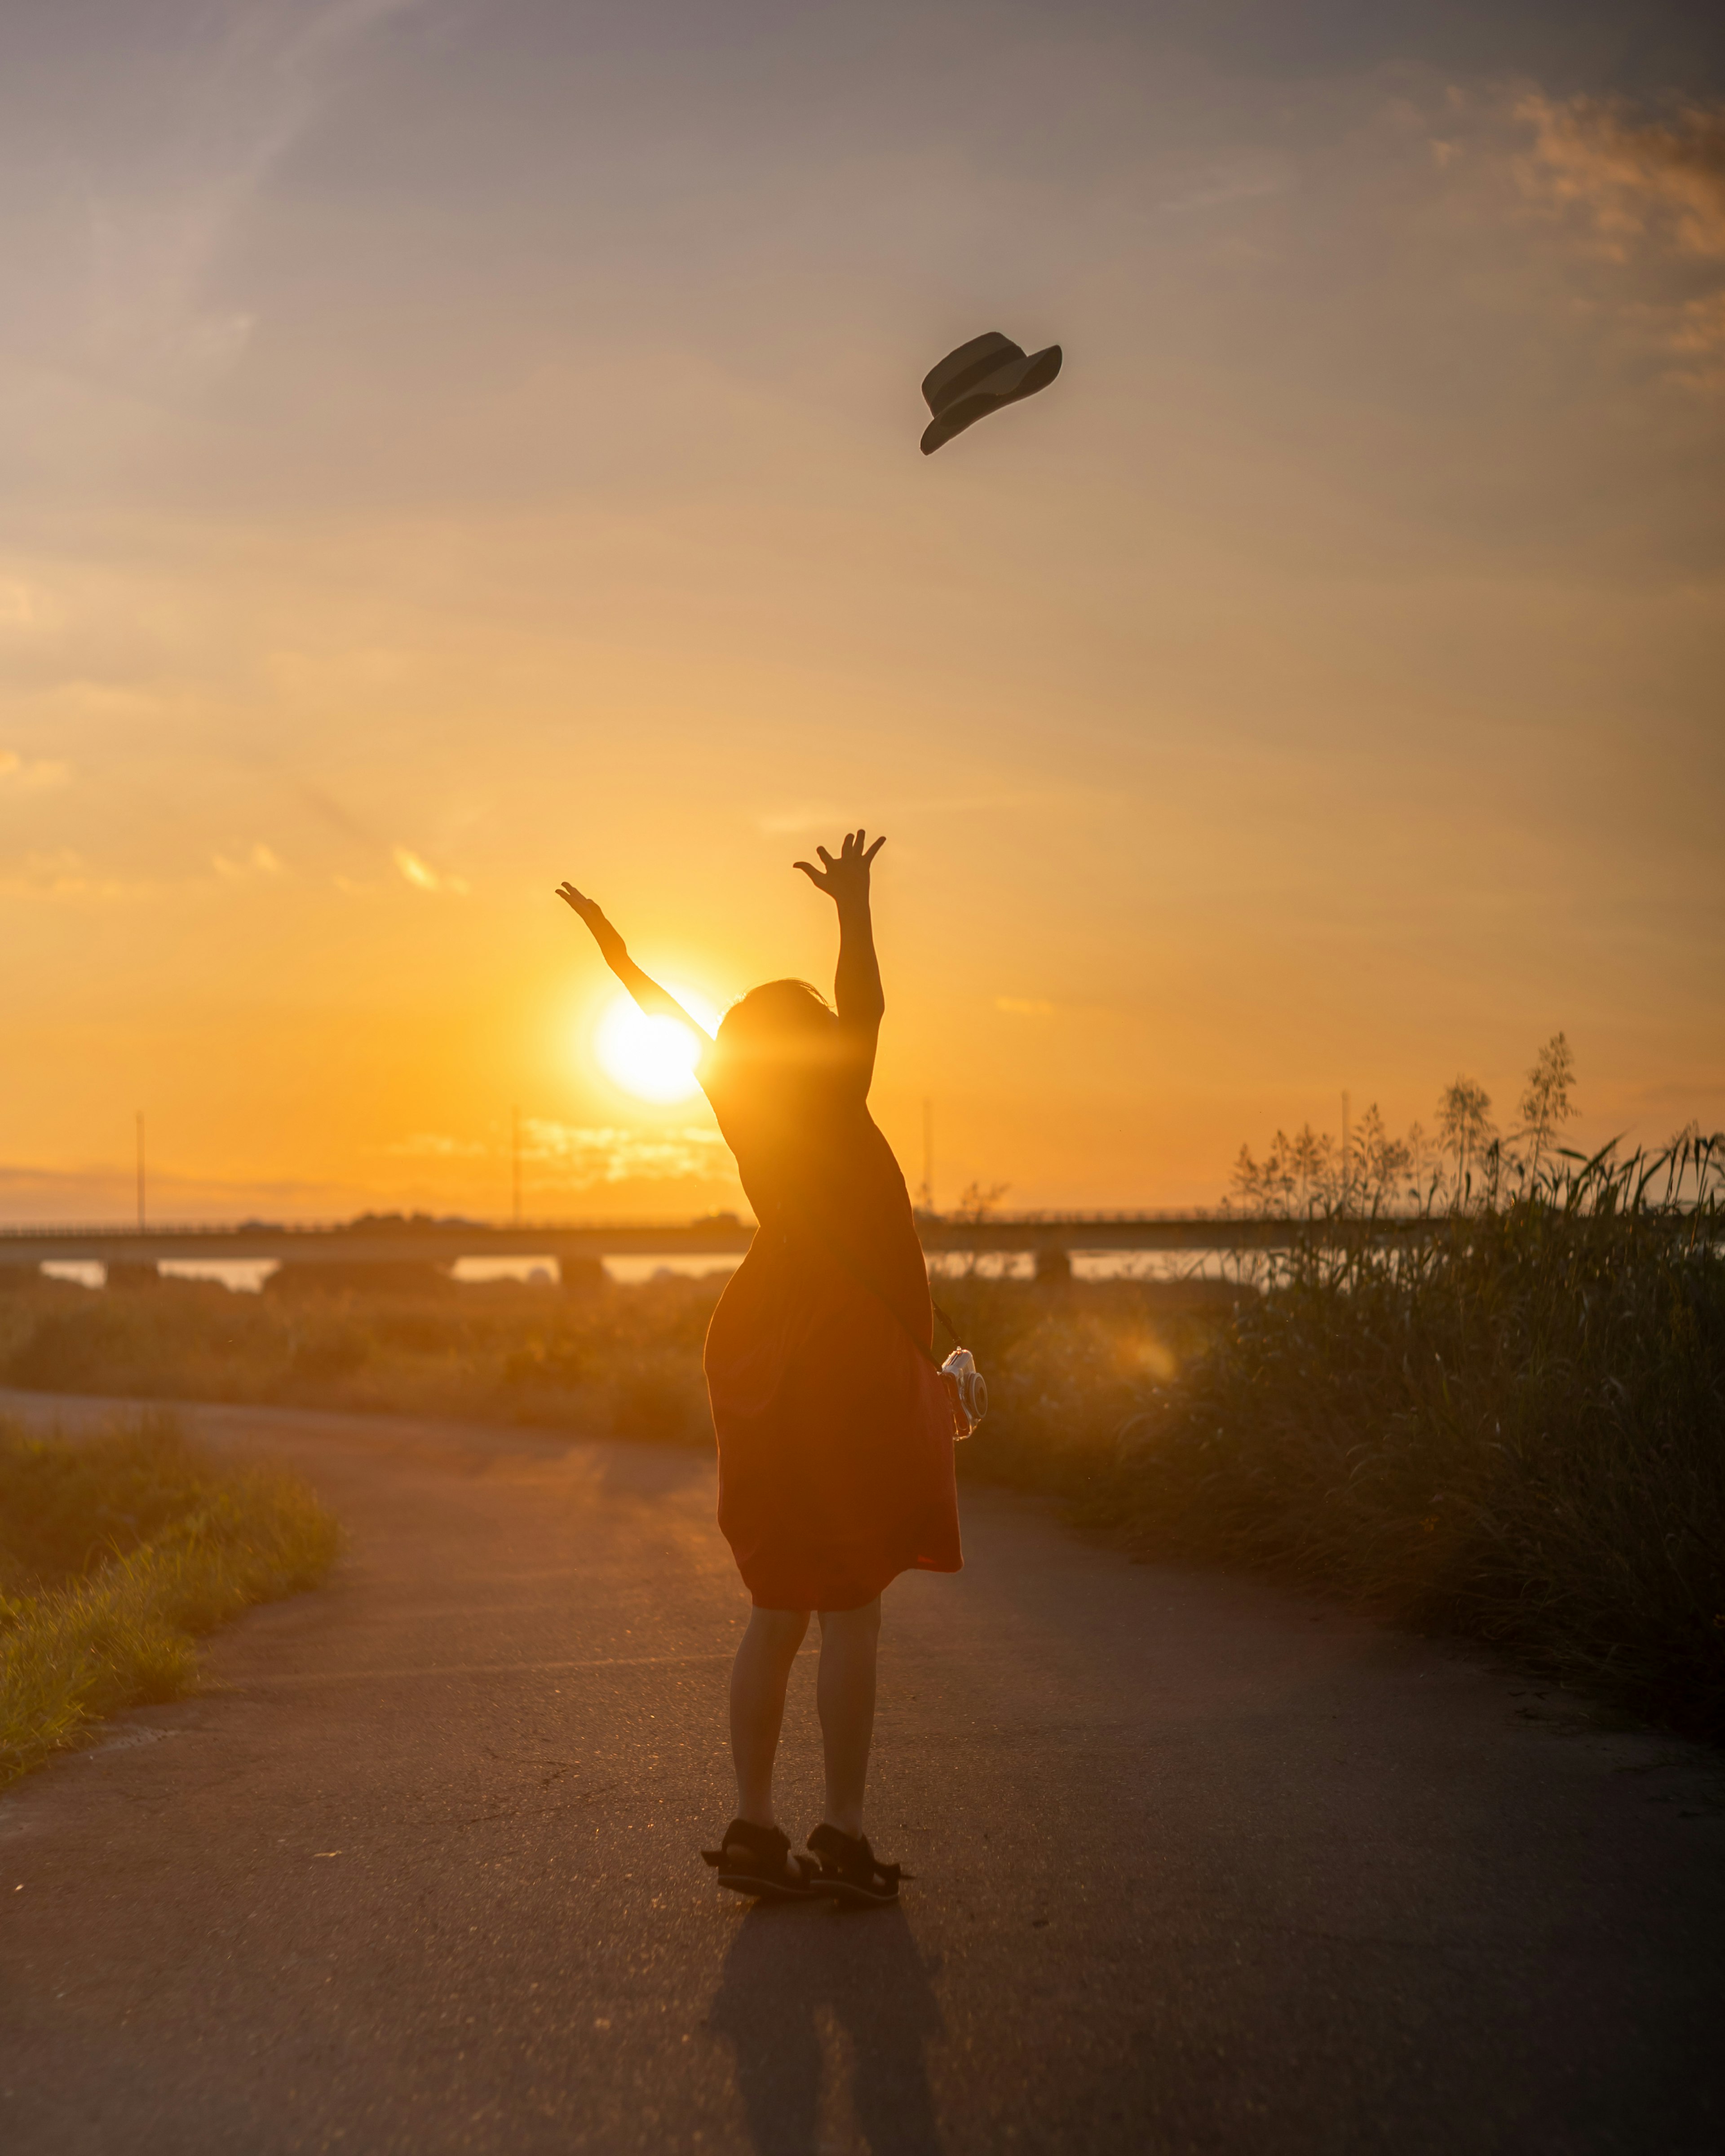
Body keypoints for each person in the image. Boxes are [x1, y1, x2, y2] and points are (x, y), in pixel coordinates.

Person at [557, 831, 962, 1907]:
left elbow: (669, 1019)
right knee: (852, 1607)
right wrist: (855, 905)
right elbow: (866, 1003)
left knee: (778, 1604)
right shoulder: (836, 1100)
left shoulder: (742, 1106)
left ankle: (752, 1826)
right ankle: (842, 1831)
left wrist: (615, 950)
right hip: (841, 1341)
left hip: (758, 1337)